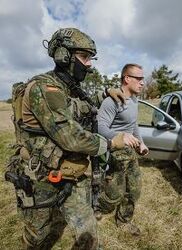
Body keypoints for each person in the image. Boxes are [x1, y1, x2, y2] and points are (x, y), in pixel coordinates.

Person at [6, 28, 127, 249]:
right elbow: (71, 138)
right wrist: (109, 144)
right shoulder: (44, 88)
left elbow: (80, 106)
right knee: (37, 237)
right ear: (63, 55)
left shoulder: (67, 87)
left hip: (72, 172)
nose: (89, 64)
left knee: (88, 234)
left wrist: (105, 93)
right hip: (40, 178)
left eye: (91, 58)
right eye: (84, 57)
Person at [97, 63, 149, 236]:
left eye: (143, 79)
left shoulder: (134, 99)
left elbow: (133, 124)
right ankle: (97, 206)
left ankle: (124, 220)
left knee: (134, 189)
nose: (143, 82)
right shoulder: (111, 101)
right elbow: (100, 127)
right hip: (113, 153)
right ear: (127, 78)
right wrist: (119, 136)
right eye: (139, 78)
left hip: (130, 153)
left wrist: (140, 143)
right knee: (114, 194)